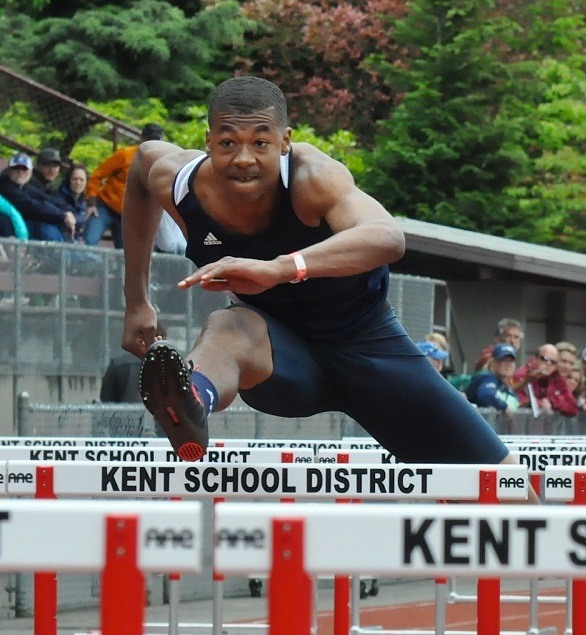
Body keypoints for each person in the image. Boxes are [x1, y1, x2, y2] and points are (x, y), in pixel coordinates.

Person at [120, 76, 538, 503]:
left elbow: (387, 237)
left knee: (512, 495)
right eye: (228, 143)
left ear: (285, 142)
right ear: (208, 141)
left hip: (373, 351)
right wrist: (136, 301)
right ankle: (192, 400)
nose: (243, 159)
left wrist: (281, 269)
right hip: (281, 356)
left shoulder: (313, 179)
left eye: (260, 144)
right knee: (227, 325)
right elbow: (139, 168)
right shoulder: (180, 182)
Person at [84, 123, 165, 248]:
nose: (152, 143)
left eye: (155, 140)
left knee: (125, 254)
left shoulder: (160, 163)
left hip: (128, 216)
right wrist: (91, 202)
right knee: (89, 242)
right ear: (142, 139)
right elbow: (97, 175)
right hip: (105, 206)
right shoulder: (125, 155)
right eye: (149, 139)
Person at [0, 153, 76, 242]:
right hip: (10, 232)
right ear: (9, 171)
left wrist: (68, 212)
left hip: (21, 228)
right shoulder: (5, 186)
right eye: (16, 168)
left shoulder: (25, 186)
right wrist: (62, 215)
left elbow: (47, 199)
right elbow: (32, 206)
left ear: (30, 172)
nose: (20, 172)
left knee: (51, 225)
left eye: (24, 168)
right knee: (45, 226)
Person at [512, 343, 578, 417]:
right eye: (545, 359)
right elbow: (516, 402)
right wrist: (537, 404)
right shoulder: (522, 375)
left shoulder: (557, 378)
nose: (548, 364)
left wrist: (552, 402)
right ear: (535, 358)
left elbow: (573, 408)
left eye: (553, 362)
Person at [465, 344, 520, 415]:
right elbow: (485, 394)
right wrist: (504, 407)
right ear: (493, 362)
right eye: (503, 360)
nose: (508, 364)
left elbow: (515, 399)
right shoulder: (487, 377)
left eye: (511, 361)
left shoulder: (502, 383)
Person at [55, 163, 89, 241]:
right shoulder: (58, 197)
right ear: (68, 180)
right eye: (74, 179)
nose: (78, 183)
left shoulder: (84, 201)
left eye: (81, 180)